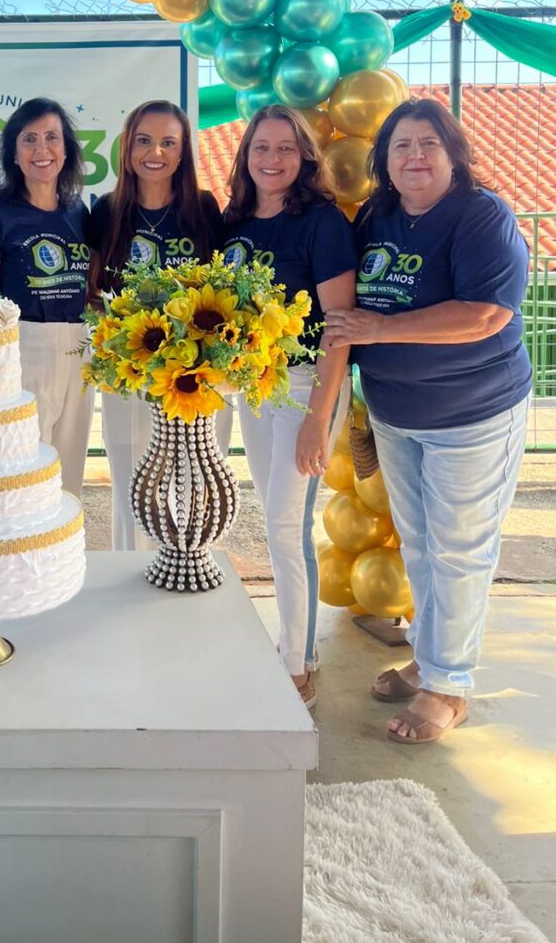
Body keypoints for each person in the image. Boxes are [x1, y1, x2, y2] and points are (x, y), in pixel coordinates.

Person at [325, 98, 531, 744]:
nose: (415, 155)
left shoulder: (481, 215)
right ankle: (429, 656)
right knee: (419, 544)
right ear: (385, 161)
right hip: (397, 414)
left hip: (473, 415)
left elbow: (485, 314)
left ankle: (449, 688)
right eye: (402, 146)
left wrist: (380, 330)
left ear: (453, 154)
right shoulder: (379, 216)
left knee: (460, 548)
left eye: (429, 143)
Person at [222, 105, 356, 709]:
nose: (272, 159)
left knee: (283, 524)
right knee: (278, 520)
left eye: (284, 149)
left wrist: (316, 420)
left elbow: (340, 327)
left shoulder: (322, 222)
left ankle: (297, 665)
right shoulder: (235, 222)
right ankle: (296, 645)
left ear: (304, 157)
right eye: (261, 148)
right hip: (259, 385)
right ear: (246, 156)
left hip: (306, 386)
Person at [86, 99, 227, 549]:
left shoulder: (204, 208)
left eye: (169, 142)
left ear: (184, 152)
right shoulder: (107, 211)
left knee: (192, 487)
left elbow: (222, 290)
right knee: (133, 483)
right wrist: (117, 341)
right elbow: (94, 293)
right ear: (127, 148)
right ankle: (130, 568)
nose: (156, 152)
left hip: (193, 377)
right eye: (144, 141)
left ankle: (188, 566)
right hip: (130, 373)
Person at [0, 97, 94, 497]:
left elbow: (90, 288)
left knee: (69, 470)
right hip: (23, 345)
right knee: (23, 468)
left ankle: (66, 537)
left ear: (66, 149)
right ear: (14, 154)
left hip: (79, 347)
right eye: (29, 139)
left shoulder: (79, 211)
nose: (42, 150)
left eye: (52, 138)